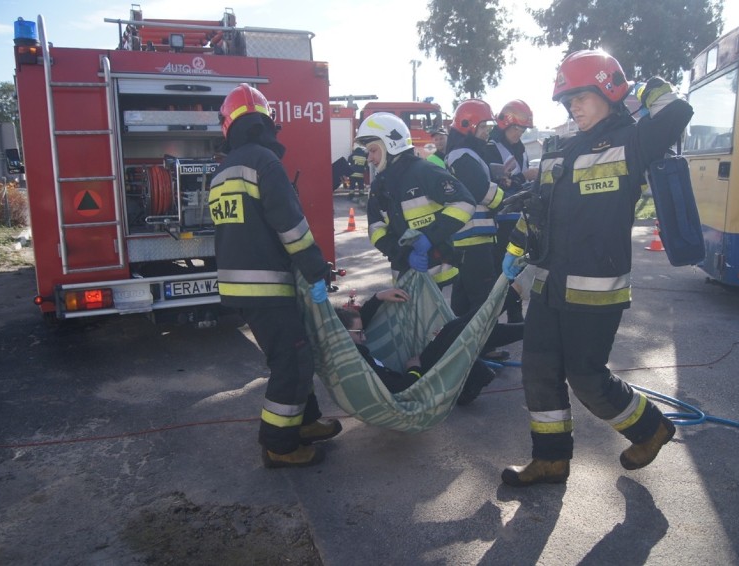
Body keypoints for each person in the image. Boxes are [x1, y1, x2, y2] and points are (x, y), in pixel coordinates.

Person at [500, 50, 694, 486]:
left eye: (581, 97)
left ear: (608, 89)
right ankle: (550, 460)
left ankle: (651, 428)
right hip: (549, 282)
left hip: (596, 288)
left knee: (587, 377)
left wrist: (641, 87)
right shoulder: (561, 148)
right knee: (539, 371)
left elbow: (677, 110)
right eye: (568, 101)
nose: (574, 108)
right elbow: (537, 210)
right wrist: (515, 248)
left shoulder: (632, 142)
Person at [208, 83, 341, 469]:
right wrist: (317, 269)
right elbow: (290, 227)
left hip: (242, 289)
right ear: (265, 123)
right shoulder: (264, 163)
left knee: (295, 354)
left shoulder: (221, 172)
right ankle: (279, 444)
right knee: (293, 362)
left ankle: (307, 422)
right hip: (267, 287)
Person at [334, 288, 524, 404]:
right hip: (413, 387)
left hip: (412, 376)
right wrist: (414, 369)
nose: (364, 337)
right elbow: (398, 389)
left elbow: (359, 323)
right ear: (343, 336)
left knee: (454, 328)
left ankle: (511, 295)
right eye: (359, 333)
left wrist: (379, 297)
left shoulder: (346, 345)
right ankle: (518, 308)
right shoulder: (356, 361)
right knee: (461, 333)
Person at [359, 112, 476, 289]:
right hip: (404, 278)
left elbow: (464, 203)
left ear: (391, 145)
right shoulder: (378, 187)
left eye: (373, 150)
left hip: (438, 274)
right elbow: (376, 230)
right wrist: (404, 255)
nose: (369, 158)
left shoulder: (425, 172)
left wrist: (429, 237)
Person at [446, 99, 508, 360]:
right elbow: (481, 191)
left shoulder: (463, 154)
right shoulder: (463, 156)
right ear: (468, 125)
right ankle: (483, 348)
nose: (487, 132)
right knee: (483, 297)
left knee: (463, 298)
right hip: (473, 239)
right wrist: (507, 197)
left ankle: (461, 343)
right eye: (483, 127)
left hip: (468, 239)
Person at [483, 99, 540, 323]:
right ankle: (493, 319)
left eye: (523, 129)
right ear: (504, 124)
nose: (519, 133)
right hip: (499, 218)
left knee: (517, 269)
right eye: (517, 128)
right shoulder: (490, 148)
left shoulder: (520, 149)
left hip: (519, 217)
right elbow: (497, 181)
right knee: (500, 271)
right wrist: (523, 177)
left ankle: (515, 317)